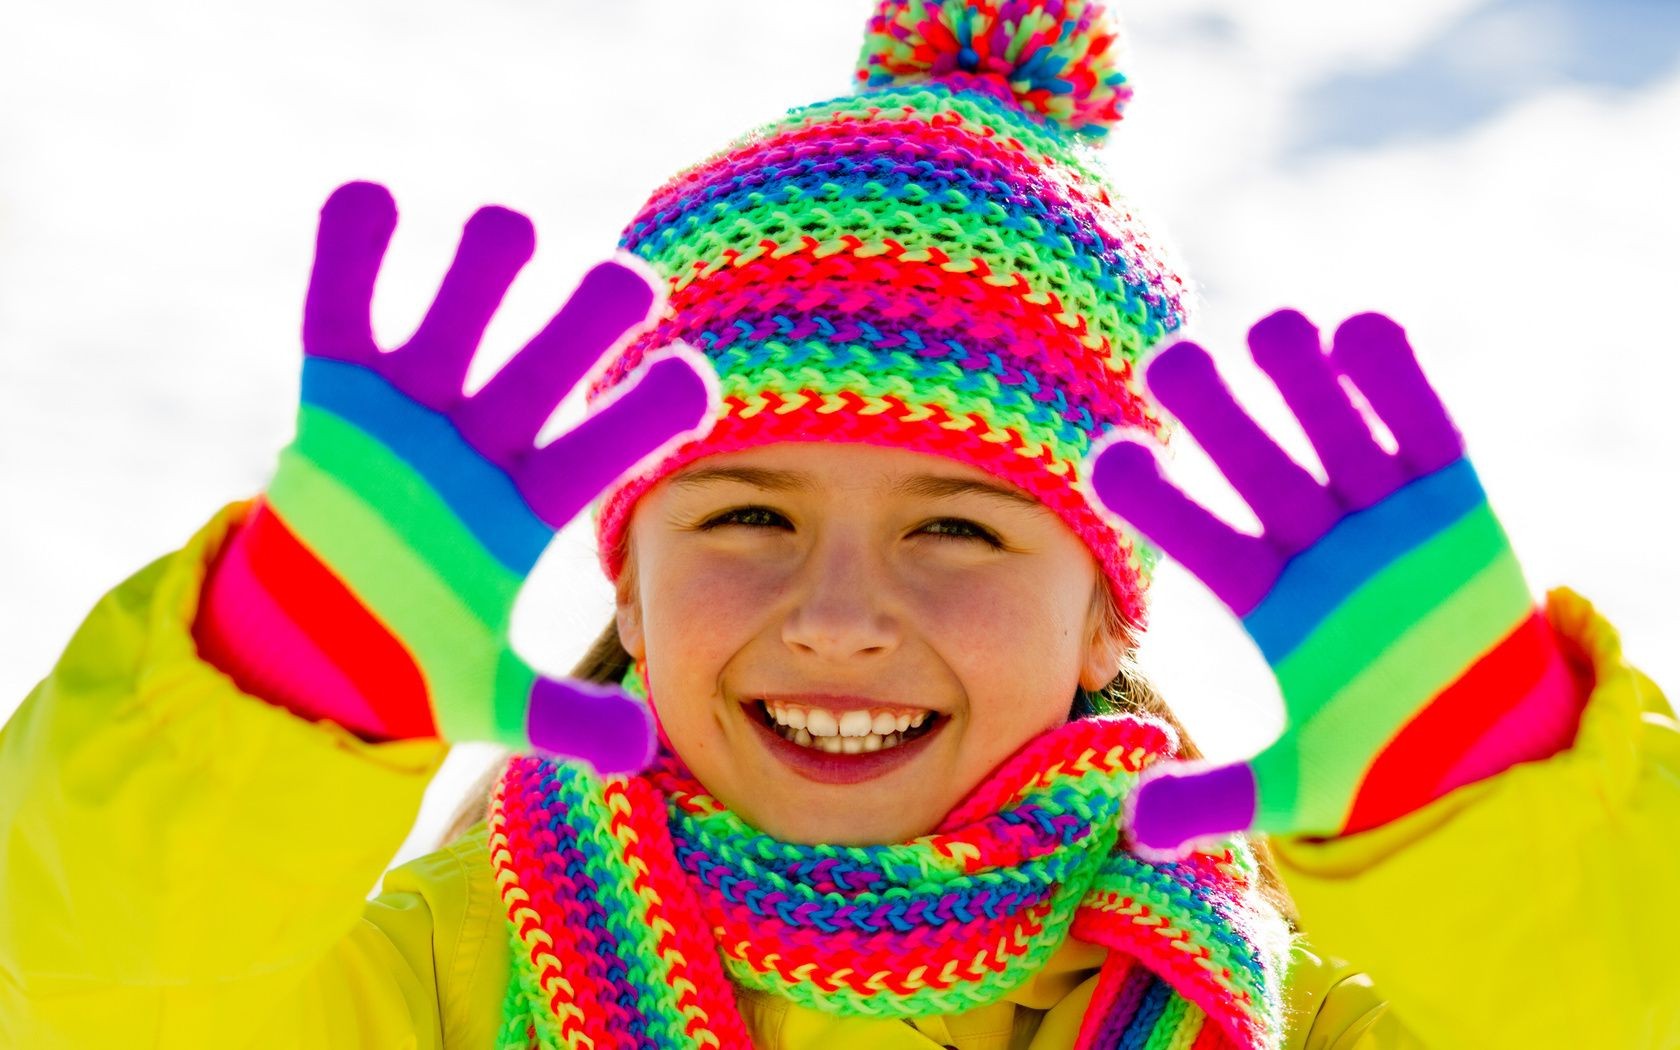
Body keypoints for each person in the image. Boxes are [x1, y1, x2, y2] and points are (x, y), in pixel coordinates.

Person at [2, 1, 1675, 1047]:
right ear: (629, 581)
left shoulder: (1271, 1007)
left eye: (960, 528)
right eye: (743, 511)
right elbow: (99, 998)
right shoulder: (454, 975)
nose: (841, 614)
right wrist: (269, 695)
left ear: (1110, 611)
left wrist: (1494, 816)